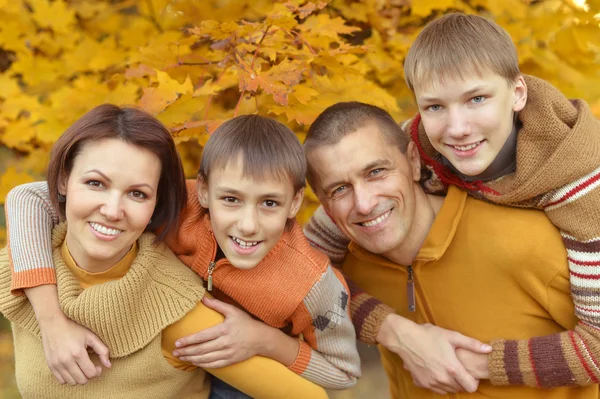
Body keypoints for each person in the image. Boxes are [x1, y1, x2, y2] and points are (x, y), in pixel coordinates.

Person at [304, 12, 600, 393]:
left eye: (477, 99)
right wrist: (392, 330)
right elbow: (306, 263)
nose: (457, 128)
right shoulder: (419, 145)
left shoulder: (581, 189)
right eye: (434, 107)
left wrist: (467, 361)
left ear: (518, 93)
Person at [2, 114, 361, 394]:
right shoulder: (178, 208)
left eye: (269, 203)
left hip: (259, 363)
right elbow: (27, 197)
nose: (248, 224)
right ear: (203, 192)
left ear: (295, 202)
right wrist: (51, 321)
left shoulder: (312, 284)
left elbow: (343, 375)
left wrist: (266, 340)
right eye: (230, 199)